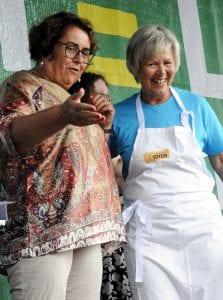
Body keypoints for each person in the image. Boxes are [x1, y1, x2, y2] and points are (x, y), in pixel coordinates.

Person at [0, 12, 125, 300]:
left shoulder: (75, 97)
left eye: (85, 52)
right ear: (47, 46)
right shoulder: (22, 84)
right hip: (40, 232)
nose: (80, 59)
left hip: (85, 230)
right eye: (71, 48)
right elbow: (10, 137)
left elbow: (83, 162)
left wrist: (102, 127)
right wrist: (62, 114)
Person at [109, 24, 223, 300]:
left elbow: (220, 160)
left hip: (202, 227)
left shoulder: (195, 106)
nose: (162, 73)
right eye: (152, 64)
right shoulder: (120, 116)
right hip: (150, 236)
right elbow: (104, 172)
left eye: (167, 63)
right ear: (135, 67)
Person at [69, 72, 132, 300]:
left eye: (108, 95)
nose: (106, 100)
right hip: (79, 236)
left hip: (109, 240)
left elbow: (116, 177)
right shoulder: (70, 132)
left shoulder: (110, 137)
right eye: (99, 95)